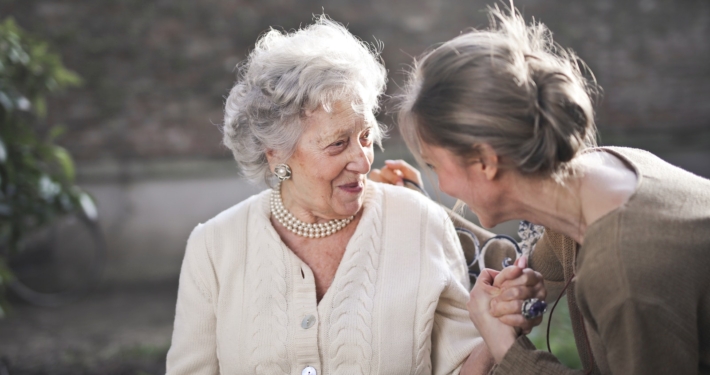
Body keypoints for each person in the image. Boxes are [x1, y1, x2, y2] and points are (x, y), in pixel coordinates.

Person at [165, 16, 542, 375]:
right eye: (338, 144)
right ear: (276, 152)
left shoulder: (419, 222)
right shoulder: (213, 247)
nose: (363, 161)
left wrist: (496, 329)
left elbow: (460, 368)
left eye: (365, 137)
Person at [388, 5, 710, 375]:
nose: (441, 185)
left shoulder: (624, 270)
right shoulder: (599, 175)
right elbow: (519, 271)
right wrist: (411, 204)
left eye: (434, 166)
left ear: (485, 161)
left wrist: (507, 348)